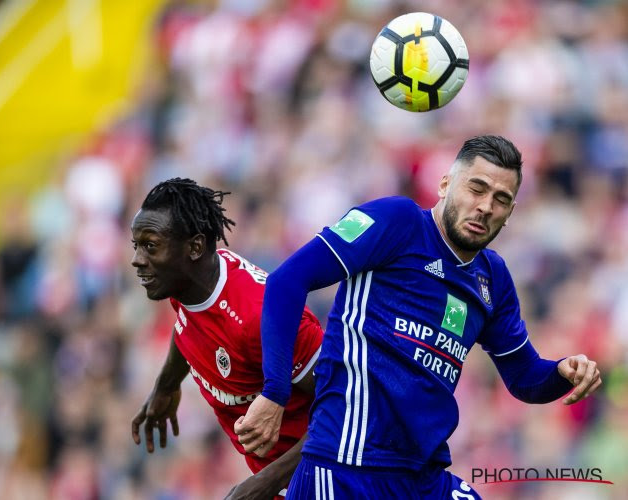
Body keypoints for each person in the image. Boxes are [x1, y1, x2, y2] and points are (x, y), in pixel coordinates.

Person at [234, 135, 602, 498]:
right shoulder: (397, 222)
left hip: (422, 477)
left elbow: (524, 378)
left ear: (509, 215)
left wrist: (561, 373)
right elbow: (288, 280)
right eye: (476, 188)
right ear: (445, 184)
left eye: (500, 199)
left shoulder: (494, 279)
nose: (486, 206)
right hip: (347, 465)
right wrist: (275, 392)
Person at [130, 178, 324, 499]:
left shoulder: (258, 320)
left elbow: (348, 402)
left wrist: (268, 480)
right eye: (135, 245)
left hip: (332, 482)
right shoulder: (186, 283)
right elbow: (187, 324)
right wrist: (166, 385)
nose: (137, 259)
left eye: (150, 246)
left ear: (194, 247)